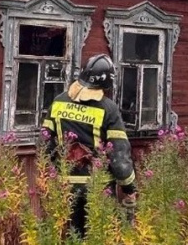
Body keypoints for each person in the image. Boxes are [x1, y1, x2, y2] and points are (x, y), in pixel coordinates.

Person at [40, 53, 137, 238]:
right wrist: (129, 188)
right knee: (99, 235)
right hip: (97, 188)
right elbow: (119, 159)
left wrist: (52, 173)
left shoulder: (59, 102)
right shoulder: (108, 109)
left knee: (70, 236)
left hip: (63, 187)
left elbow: (44, 144)